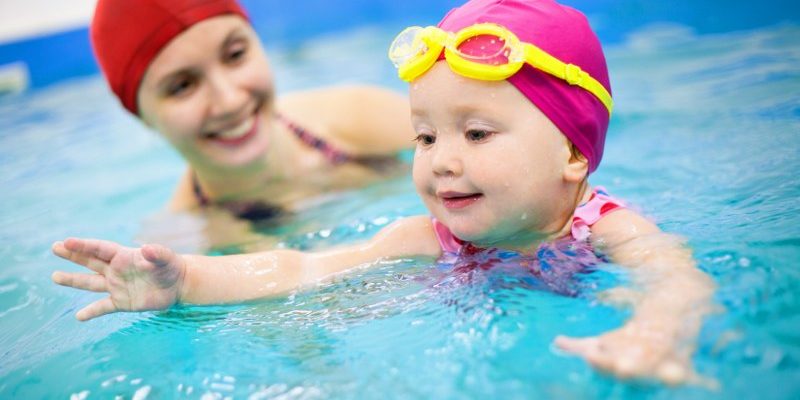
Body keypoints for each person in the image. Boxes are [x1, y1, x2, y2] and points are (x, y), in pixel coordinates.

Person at [53, 0, 715, 385]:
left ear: (574, 153)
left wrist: (655, 336)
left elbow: (675, 280)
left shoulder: (607, 228)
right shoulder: (427, 237)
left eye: (476, 133)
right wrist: (187, 281)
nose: (440, 163)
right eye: (424, 139)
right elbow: (303, 267)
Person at [90, 0, 415, 221]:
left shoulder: (362, 116)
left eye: (235, 55)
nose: (229, 101)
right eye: (182, 86)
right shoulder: (184, 247)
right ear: (141, 116)